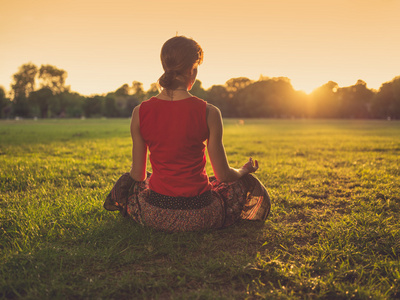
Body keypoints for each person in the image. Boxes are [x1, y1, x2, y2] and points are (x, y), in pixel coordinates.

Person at [104, 36, 271, 232]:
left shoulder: (139, 112)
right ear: (192, 69)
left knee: (132, 183)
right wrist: (244, 171)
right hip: (202, 215)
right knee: (242, 182)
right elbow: (224, 175)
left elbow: (138, 175)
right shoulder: (210, 112)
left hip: (155, 214)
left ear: (164, 65)